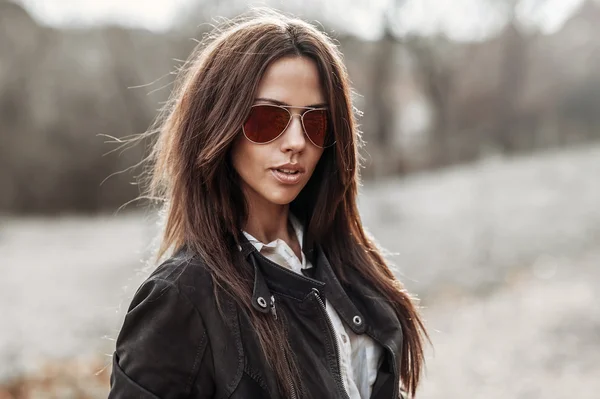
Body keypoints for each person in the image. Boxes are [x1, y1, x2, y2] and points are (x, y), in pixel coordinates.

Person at [108, 8, 428, 399]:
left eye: (314, 121)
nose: (296, 141)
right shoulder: (181, 297)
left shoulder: (345, 259)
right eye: (267, 119)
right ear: (219, 124)